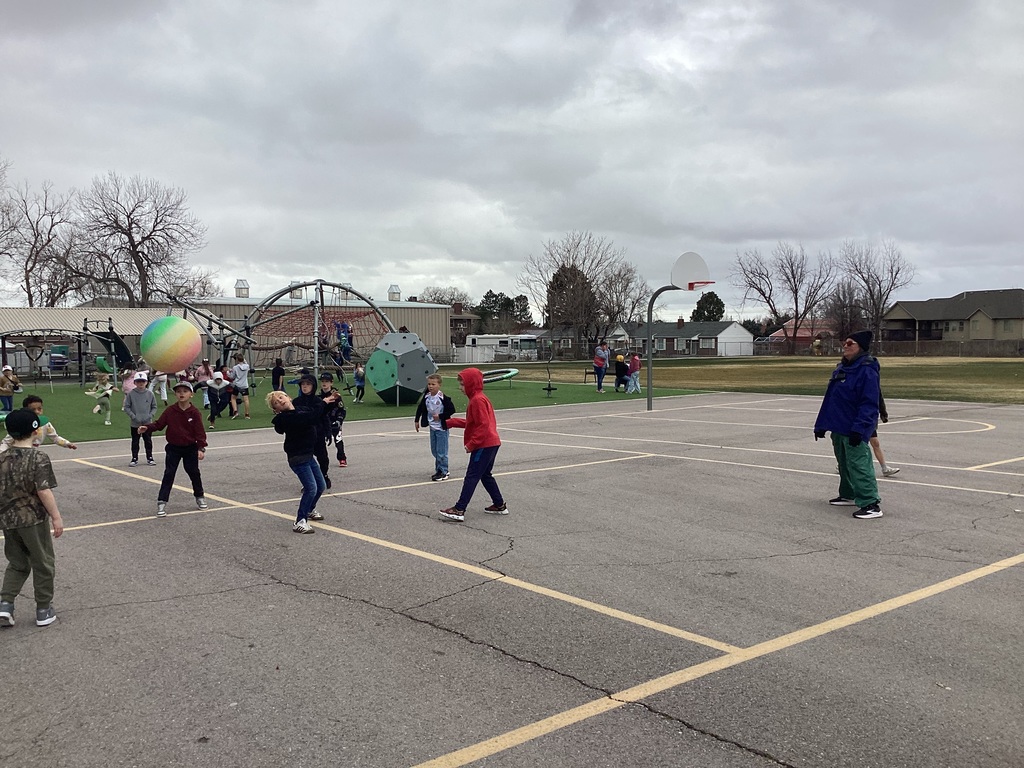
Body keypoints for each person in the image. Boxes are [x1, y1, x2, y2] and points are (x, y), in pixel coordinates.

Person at [0, 408, 63, 628]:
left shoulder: (2, 457)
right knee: (43, 562)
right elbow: (43, 490)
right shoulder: (38, 457)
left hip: (8, 519)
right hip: (33, 519)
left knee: (17, 562)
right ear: (35, 431)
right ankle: (43, 609)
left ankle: (5, 604)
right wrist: (56, 516)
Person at [814, 330, 883, 520]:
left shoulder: (867, 370)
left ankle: (871, 503)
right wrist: (821, 424)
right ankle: (849, 493)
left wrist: (860, 428)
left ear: (860, 347)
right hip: (839, 426)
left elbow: (869, 403)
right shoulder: (842, 368)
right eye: (844, 343)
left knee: (859, 465)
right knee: (844, 463)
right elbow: (831, 399)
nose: (845, 346)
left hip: (854, 427)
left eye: (850, 343)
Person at [267, 386, 340, 534]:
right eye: (276, 403)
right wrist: (323, 403)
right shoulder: (286, 418)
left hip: (308, 455)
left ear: (288, 397)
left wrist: (331, 401)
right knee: (311, 488)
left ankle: (309, 509)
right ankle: (300, 521)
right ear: (276, 410)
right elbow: (310, 418)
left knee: (321, 485)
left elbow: (318, 414)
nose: (280, 401)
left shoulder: (301, 410)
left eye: (281, 397)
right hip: (298, 457)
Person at [439, 368, 507, 522]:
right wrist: (451, 422)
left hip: (484, 444)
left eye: (463, 384)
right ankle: (499, 504)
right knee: (485, 475)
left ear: (472, 384)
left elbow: (483, 425)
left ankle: (459, 509)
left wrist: (472, 443)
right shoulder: (479, 398)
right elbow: (473, 423)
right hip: (492, 443)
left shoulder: (477, 400)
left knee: (472, 476)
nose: (460, 388)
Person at [138, 381, 208, 517]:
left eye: (185, 391)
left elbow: (199, 432)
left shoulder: (194, 413)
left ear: (191, 394)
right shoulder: (171, 411)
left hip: (190, 448)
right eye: (178, 391)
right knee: (169, 474)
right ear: (175, 394)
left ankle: (200, 496)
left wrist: (201, 448)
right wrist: (147, 427)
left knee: (194, 472)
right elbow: (159, 424)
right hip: (173, 448)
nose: (181, 394)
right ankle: (162, 502)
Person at [0, 395, 78, 455]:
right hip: (16, 454)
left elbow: (55, 437)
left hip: (31, 453)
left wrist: (67, 444)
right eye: (33, 410)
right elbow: (6, 442)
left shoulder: (45, 424)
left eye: (39, 409)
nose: (37, 412)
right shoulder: (22, 424)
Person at [415, 373, 455, 481]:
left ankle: (443, 471)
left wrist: (440, 416)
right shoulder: (427, 396)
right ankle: (439, 469)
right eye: (429, 384)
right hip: (432, 427)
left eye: (433, 384)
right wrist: (417, 420)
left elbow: (452, 410)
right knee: (434, 450)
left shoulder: (442, 397)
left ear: (439, 385)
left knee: (441, 451)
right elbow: (421, 408)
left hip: (441, 428)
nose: (431, 386)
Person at [123, 371, 158, 466]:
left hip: (147, 423)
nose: (141, 383)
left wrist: (150, 415)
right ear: (135, 382)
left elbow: (154, 407)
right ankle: (134, 458)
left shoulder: (150, 394)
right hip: (135, 423)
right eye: (138, 381)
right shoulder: (131, 394)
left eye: (143, 381)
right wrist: (133, 416)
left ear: (146, 382)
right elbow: (127, 407)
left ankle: (150, 457)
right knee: (135, 441)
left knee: (148, 441)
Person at [317, 372, 348, 469]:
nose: (324, 383)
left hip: (334, 421)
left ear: (331, 383)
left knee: (338, 439)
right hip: (323, 422)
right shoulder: (318, 396)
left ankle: (342, 458)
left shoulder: (336, 396)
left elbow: (342, 410)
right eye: (322, 381)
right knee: (320, 441)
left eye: (326, 381)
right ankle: (322, 460)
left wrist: (339, 421)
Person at [871, 390, 900, 477]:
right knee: (855, 445)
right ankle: (842, 464)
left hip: (870, 418)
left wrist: (883, 412)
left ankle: (884, 468)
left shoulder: (874, 384)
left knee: (875, 443)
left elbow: (879, 397)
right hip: (859, 418)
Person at [229, 353, 252, 419]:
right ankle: (247, 414)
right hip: (244, 385)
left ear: (237, 359)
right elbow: (245, 362)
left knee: (233, 398)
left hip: (237, 385)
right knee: (246, 399)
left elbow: (232, 377)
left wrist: (228, 373)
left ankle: (235, 411)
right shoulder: (247, 366)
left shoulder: (235, 367)